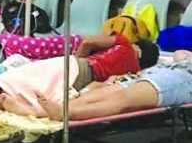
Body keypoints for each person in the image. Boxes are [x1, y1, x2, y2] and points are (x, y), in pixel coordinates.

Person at [0, 34, 160, 117]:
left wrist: (77, 58)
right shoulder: (136, 72)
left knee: (28, 74)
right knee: (43, 87)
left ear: (138, 47)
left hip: (79, 66)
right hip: (87, 81)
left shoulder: (124, 43)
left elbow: (89, 42)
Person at [37, 50, 192, 121]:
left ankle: (68, 114)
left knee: (122, 99)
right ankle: (41, 111)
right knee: (99, 93)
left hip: (180, 79)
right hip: (159, 72)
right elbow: (179, 53)